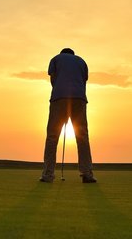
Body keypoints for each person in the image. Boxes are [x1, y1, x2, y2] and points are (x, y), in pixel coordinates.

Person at [40, 48, 96, 183]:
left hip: (59, 97)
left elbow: (53, 79)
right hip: (79, 98)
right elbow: (83, 82)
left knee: (52, 136)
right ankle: (87, 174)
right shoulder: (82, 61)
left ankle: (48, 175)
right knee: (82, 136)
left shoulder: (55, 59)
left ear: (62, 53)